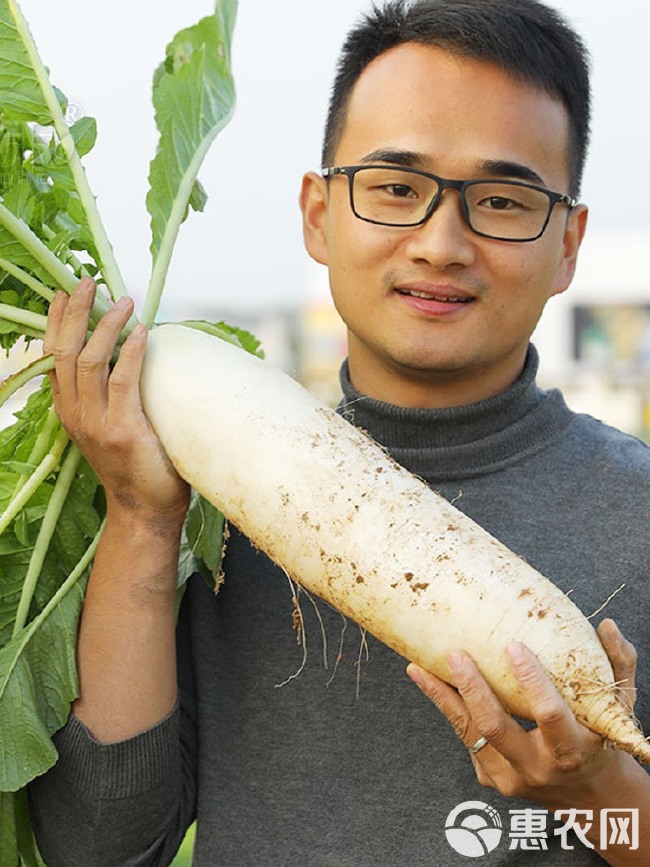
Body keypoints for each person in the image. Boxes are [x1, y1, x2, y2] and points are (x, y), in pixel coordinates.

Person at [29, 0, 649, 864]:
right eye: (397, 188)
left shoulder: (640, 510)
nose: (441, 242)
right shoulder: (199, 511)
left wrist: (602, 791)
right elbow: (99, 850)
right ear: (318, 213)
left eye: (503, 201)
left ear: (569, 244)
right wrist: (139, 517)